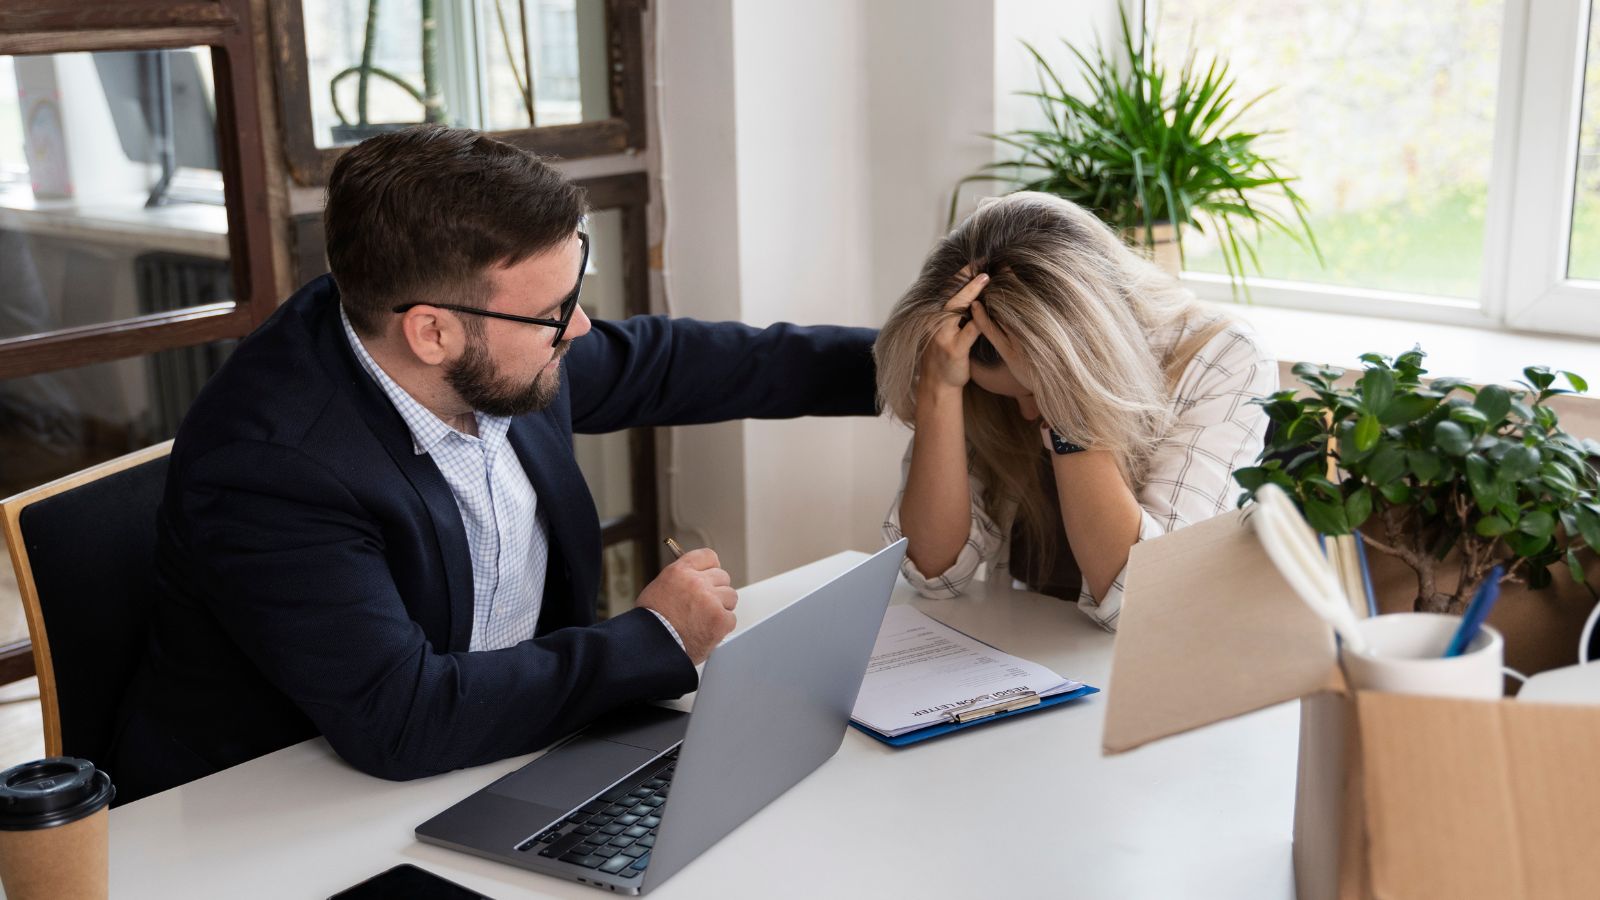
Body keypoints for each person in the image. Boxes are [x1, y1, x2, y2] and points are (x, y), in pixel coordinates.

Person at [109, 127, 877, 802]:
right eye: (552, 315)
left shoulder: (493, 343)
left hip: (503, 755)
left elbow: (673, 362)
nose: (577, 327)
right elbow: (401, 718)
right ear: (430, 333)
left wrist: (905, 364)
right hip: (266, 818)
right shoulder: (272, 466)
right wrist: (656, 637)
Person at [876, 192, 1274, 631]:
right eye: (1012, 396)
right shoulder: (966, 364)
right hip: (1029, 647)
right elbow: (935, 572)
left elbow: (1140, 601)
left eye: (1033, 394)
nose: (1029, 415)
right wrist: (941, 389)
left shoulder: (1221, 357)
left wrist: (1068, 397)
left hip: (1154, 668)